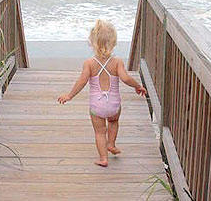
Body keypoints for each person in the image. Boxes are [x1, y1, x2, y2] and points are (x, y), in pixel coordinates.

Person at [57, 19, 147, 167]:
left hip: (97, 106)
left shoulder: (89, 63)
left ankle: (103, 158)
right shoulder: (117, 62)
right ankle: (111, 144)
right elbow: (125, 78)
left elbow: (82, 81)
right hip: (114, 105)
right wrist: (138, 86)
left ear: (92, 42)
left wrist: (69, 95)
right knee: (113, 122)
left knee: (100, 132)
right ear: (114, 42)